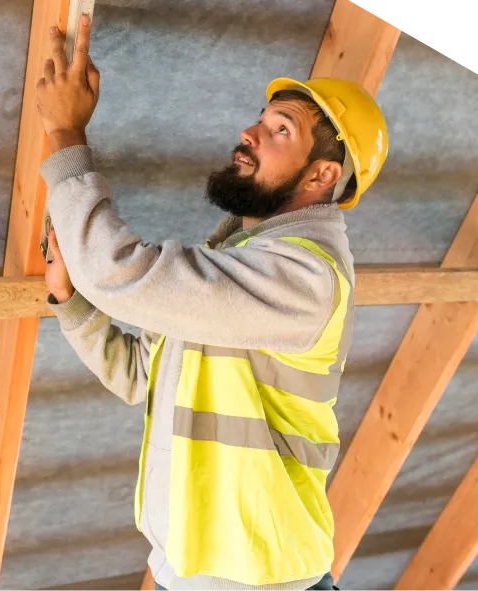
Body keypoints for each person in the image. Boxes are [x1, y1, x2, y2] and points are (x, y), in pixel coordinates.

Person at [35, 14, 388, 591]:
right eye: (259, 120)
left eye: (281, 130)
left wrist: (66, 137)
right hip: (198, 572)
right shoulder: (237, 261)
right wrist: (69, 301)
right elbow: (143, 377)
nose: (250, 132)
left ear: (322, 174)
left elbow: (120, 272)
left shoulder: (303, 276)